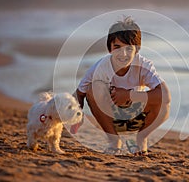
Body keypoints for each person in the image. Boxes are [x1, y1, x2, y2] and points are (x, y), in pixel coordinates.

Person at [70, 17, 171, 155]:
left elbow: (166, 95)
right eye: (117, 47)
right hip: (111, 119)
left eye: (129, 49)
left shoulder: (144, 66)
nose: (123, 54)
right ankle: (114, 141)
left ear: (137, 50)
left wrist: (128, 95)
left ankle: (141, 139)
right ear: (110, 49)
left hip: (137, 118)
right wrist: (76, 116)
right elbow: (80, 93)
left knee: (164, 106)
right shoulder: (101, 67)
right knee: (92, 89)